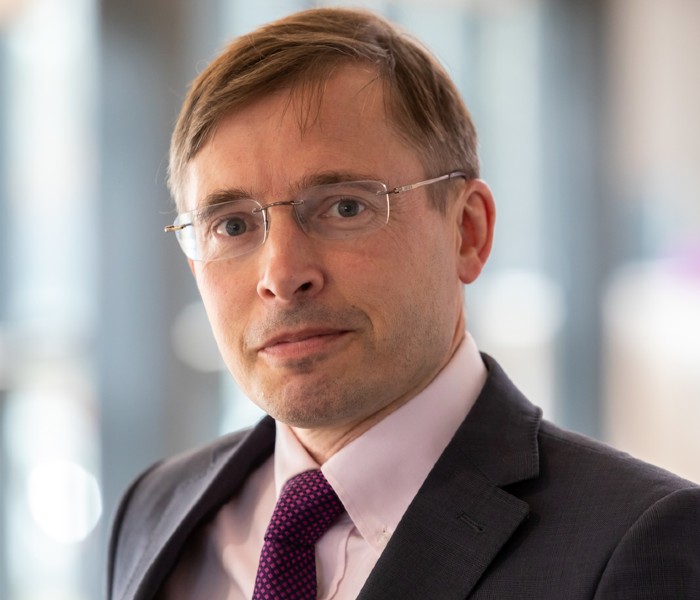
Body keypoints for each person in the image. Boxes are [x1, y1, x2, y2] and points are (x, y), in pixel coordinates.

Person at [107, 7, 700, 600]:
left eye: (344, 207)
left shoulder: (640, 543)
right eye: (232, 226)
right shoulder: (156, 509)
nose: (282, 276)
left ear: (467, 232)